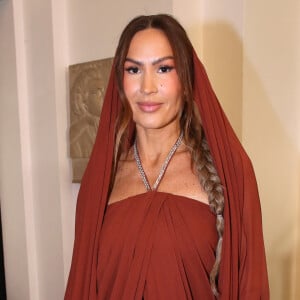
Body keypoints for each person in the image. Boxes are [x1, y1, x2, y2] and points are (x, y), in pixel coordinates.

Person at [65, 14, 269, 299]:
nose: (147, 87)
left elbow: (250, 285)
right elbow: (82, 286)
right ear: (120, 83)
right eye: (134, 70)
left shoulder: (231, 172)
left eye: (163, 68)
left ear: (186, 80)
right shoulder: (99, 182)